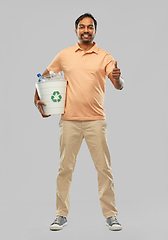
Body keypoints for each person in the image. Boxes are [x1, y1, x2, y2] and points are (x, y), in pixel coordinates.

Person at [34, 13, 124, 231]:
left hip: (96, 121)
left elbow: (118, 84)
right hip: (69, 122)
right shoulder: (64, 55)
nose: (86, 30)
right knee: (65, 169)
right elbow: (44, 76)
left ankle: (111, 215)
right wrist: (36, 98)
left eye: (90, 27)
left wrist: (117, 78)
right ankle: (60, 215)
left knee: (104, 169)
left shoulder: (104, 56)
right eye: (82, 27)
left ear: (95, 31)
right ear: (76, 30)